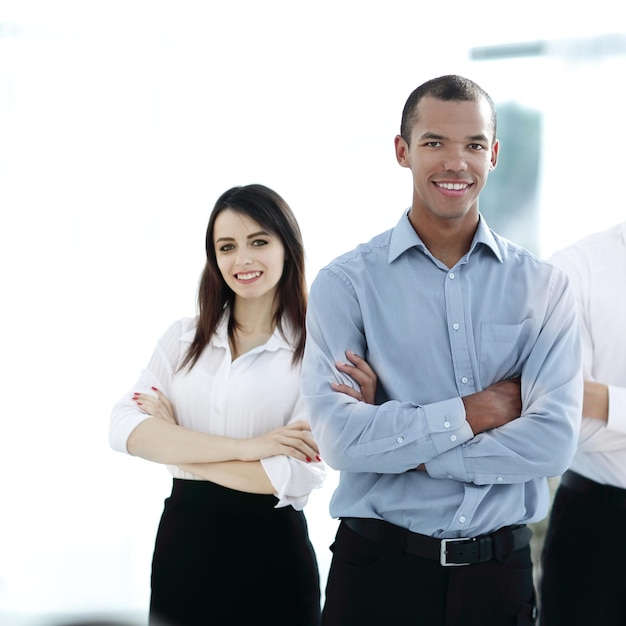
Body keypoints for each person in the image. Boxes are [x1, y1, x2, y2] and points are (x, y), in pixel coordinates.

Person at [300, 75, 583, 626]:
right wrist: (477, 412)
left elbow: (552, 444)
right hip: (377, 575)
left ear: (494, 154)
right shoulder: (346, 285)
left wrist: (401, 442)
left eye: (474, 145)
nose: (456, 162)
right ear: (402, 151)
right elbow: (339, 439)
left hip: (497, 580)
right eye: (435, 143)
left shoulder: (545, 289)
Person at [109, 184, 376, 626]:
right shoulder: (182, 339)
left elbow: (293, 474)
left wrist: (178, 451)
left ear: (287, 247)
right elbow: (123, 428)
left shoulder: (319, 351)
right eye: (226, 247)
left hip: (271, 558)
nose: (242, 259)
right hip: (183, 553)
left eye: (258, 242)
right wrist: (252, 448)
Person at [539, 221, 626, 625]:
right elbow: (565, 425)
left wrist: (607, 402)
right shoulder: (574, 270)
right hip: (601, 529)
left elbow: (587, 409)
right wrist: (585, 404)